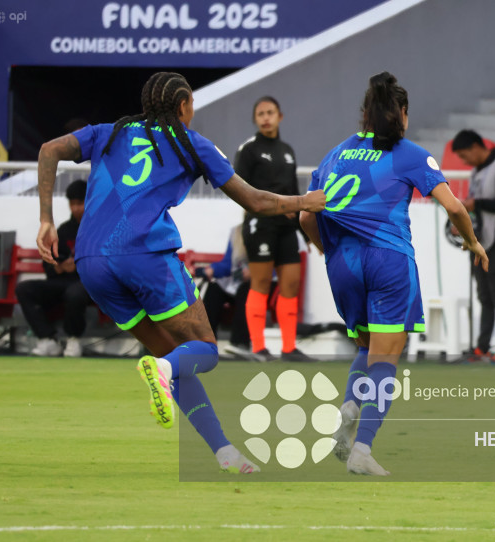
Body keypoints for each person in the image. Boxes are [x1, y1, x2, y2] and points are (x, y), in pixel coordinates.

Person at [36, 71, 326, 474]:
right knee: (203, 351)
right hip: (142, 255)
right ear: (184, 104)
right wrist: (306, 200)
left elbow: (49, 149)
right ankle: (164, 372)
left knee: (171, 357)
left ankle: (225, 452)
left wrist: (46, 221)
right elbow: (257, 202)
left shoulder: (110, 132)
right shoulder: (191, 142)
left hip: (90, 262)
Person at [300, 72, 488, 476]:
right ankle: (362, 450)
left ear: (365, 114)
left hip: (342, 264)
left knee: (368, 346)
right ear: (401, 113)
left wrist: (325, 250)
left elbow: (305, 215)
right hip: (388, 259)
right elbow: (454, 207)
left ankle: (350, 407)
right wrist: (472, 241)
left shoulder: (336, 154)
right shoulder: (410, 154)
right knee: (387, 357)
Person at [234, 97, 310, 362]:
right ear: (255, 119)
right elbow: (239, 191)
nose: (266, 117)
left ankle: (288, 348)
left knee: (291, 283)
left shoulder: (288, 150)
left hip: (287, 226)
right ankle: (258, 347)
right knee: (261, 283)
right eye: (261, 113)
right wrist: (273, 206)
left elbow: (295, 193)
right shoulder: (248, 150)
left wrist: (305, 230)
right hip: (260, 224)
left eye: (270, 112)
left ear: (280, 116)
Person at [451, 129, 495, 364]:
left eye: (464, 155)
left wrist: (475, 204)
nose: (464, 161)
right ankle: (482, 346)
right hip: (479, 241)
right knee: (484, 295)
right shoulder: (478, 171)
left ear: (475, 147)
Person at [17, 179, 93, 357]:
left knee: (75, 293)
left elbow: (106, 262)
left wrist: (80, 265)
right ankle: (47, 339)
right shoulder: (64, 230)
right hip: (61, 282)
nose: (75, 209)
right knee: (24, 289)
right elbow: (49, 262)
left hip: (87, 284)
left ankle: (73, 339)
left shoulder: (98, 228)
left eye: (79, 203)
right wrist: (59, 268)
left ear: (89, 201)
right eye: (72, 204)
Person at [193, 216, 254, 360]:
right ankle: (207, 343)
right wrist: (210, 270)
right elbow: (228, 265)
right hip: (236, 279)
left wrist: (255, 272)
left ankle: (240, 344)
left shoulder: (271, 230)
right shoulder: (237, 231)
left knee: (245, 290)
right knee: (214, 289)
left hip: (256, 282)